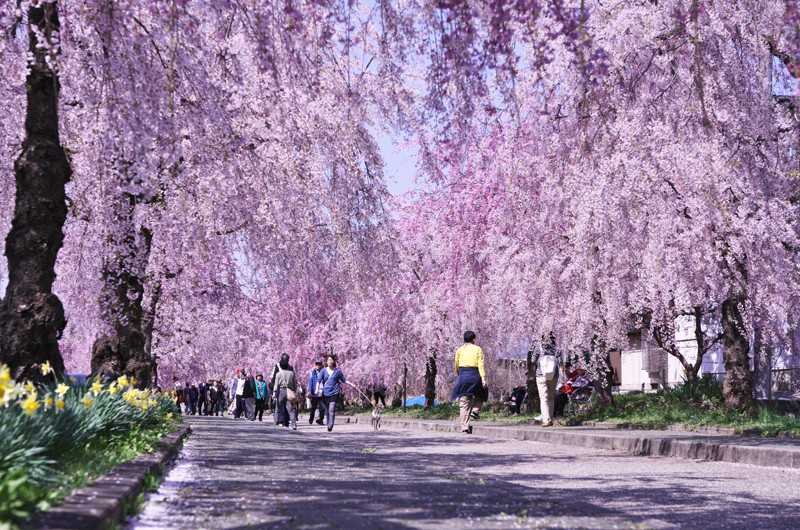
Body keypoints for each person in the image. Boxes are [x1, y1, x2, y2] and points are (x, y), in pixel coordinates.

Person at [451, 330, 488, 434]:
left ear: (463, 340)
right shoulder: (477, 349)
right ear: (474, 339)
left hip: (463, 376)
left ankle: (464, 428)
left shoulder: (460, 350)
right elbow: (481, 364)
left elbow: (456, 365)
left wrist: (460, 377)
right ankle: (475, 411)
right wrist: (483, 379)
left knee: (464, 403)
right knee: (482, 391)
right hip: (475, 376)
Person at [531, 334, 567, 427]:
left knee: (543, 398)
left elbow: (533, 360)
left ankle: (546, 420)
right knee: (551, 397)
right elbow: (561, 364)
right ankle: (550, 419)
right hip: (553, 376)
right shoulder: (557, 350)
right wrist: (563, 377)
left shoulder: (538, 348)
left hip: (541, 375)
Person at [318, 355, 355, 432]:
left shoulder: (337, 371)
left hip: (334, 393)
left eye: (331, 360)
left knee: (331, 409)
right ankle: (328, 423)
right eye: (328, 360)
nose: (330, 361)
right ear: (326, 362)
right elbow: (318, 380)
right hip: (325, 394)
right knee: (327, 411)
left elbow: (344, 380)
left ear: (334, 361)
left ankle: (331, 425)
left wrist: (351, 384)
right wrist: (316, 389)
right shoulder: (323, 371)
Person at [273, 354, 298, 430]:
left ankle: (276, 423)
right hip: (289, 391)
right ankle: (294, 424)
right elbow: (295, 384)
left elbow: (276, 385)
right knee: (290, 410)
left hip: (281, 391)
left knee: (277, 409)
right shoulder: (291, 373)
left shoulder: (278, 374)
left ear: (280, 366)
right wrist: (293, 391)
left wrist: (274, 393)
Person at [307, 360, 325, 425]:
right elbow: (309, 384)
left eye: (319, 364)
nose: (317, 366)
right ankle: (311, 417)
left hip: (322, 393)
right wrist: (308, 392)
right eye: (316, 364)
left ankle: (320, 420)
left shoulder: (323, 373)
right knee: (314, 407)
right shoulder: (312, 373)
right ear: (315, 365)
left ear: (321, 366)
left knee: (322, 407)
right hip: (315, 393)